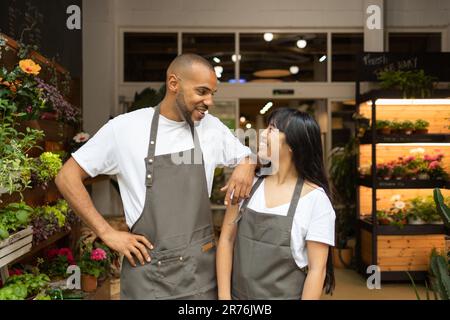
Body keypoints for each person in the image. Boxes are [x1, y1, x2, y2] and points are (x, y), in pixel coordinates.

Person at [55, 54, 256, 300]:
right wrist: (106, 232)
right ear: (173, 84)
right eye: (202, 91)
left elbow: (250, 156)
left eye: (212, 93)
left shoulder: (211, 127)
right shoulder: (125, 128)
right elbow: (66, 177)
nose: (209, 101)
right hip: (148, 278)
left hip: (200, 277)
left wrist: (248, 161)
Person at [216, 108, 335, 300]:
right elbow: (226, 240)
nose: (263, 133)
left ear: (293, 145)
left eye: (272, 129)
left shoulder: (316, 201)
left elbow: (317, 270)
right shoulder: (247, 184)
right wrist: (224, 298)